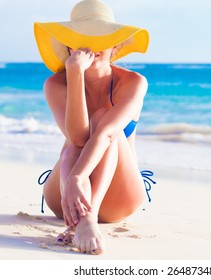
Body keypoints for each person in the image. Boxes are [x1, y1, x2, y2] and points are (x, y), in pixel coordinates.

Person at [33, 0, 150, 254]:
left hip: (120, 195)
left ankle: (88, 218)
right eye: (81, 37)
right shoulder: (56, 84)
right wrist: (74, 75)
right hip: (64, 195)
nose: (90, 45)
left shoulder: (133, 83)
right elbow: (77, 137)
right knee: (75, 142)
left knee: (102, 120)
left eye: (100, 37)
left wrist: (78, 176)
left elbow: (107, 135)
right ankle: (84, 220)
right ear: (68, 44)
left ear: (115, 44)